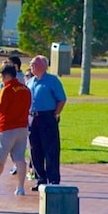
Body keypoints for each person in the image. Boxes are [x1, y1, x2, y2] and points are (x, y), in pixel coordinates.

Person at [0, 64, 33, 196]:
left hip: (7, 128)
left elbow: (0, 107)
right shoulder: (25, 89)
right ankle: (20, 187)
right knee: (20, 158)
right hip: (22, 127)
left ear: (6, 76)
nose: (1, 80)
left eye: (1, 77)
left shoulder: (7, 89)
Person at [27, 56, 67, 188]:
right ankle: (40, 179)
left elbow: (61, 99)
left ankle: (53, 180)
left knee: (50, 150)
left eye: (34, 64)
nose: (31, 66)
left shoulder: (52, 81)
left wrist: (56, 113)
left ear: (43, 66)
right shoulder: (30, 82)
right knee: (34, 149)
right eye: (31, 64)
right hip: (32, 117)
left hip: (47, 117)